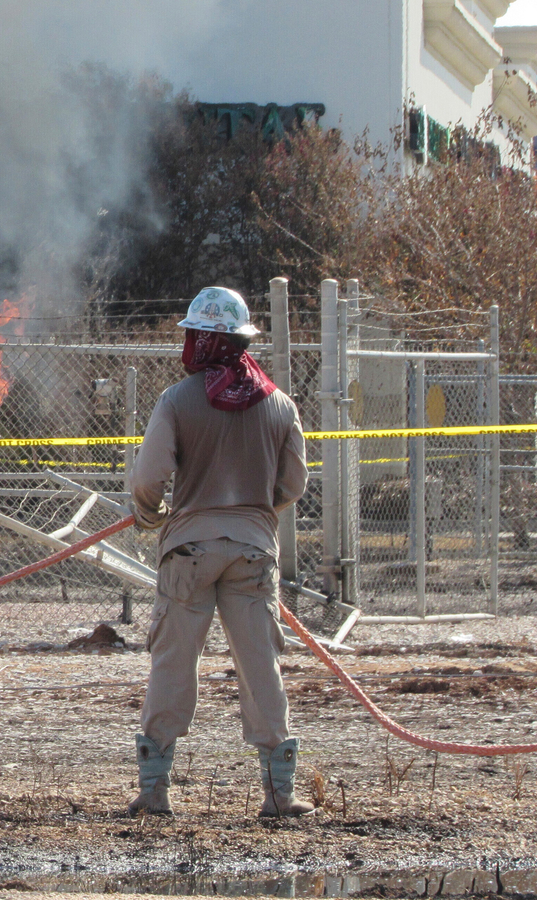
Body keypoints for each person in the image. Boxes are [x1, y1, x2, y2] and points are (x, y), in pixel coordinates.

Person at [127, 287, 310, 817]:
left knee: (172, 662)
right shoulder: (278, 404)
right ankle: (280, 794)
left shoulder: (178, 401)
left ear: (200, 341)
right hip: (254, 551)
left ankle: (154, 791)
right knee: (261, 666)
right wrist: (254, 517)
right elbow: (294, 483)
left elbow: (148, 476)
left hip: (188, 551)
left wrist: (150, 512)